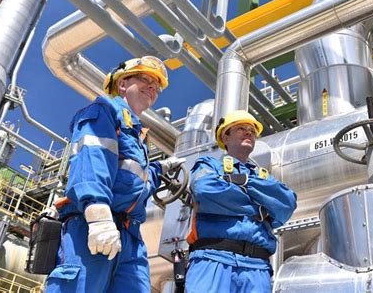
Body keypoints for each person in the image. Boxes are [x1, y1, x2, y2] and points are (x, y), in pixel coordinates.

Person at [45, 56, 185, 292]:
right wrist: (98, 216)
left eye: (156, 86)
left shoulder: (138, 135)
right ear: (122, 85)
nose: (152, 88)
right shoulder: (104, 111)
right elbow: (92, 160)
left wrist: (160, 170)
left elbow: (133, 181)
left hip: (130, 236)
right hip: (92, 225)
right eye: (144, 79)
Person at [185, 110, 297, 293]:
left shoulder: (263, 176)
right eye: (241, 128)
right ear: (225, 136)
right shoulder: (209, 165)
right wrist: (261, 209)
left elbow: (287, 204)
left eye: (252, 130)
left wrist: (244, 181)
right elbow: (205, 190)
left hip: (257, 268)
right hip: (213, 259)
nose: (249, 133)